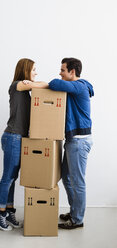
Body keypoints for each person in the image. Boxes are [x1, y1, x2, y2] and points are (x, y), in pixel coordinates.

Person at [0, 58, 48, 231]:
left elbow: (40, 84)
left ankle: (9, 210)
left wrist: (32, 82)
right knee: (8, 177)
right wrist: (33, 82)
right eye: (33, 70)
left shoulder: (26, 90)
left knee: (13, 178)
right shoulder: (17, 85)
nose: (36, 73)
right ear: (25, 71)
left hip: (19, 138)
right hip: (12, 137)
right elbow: (44, 84)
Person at [49, 58, 94, 229]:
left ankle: (77, 220)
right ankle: (75, 211)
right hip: (73, 141)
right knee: (66, 177)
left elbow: (54, 84)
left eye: (62, 70)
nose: (60, 73)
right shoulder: (75, 88)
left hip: (79, 142)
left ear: (72, 72)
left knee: (77, 181)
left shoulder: (79, 86)